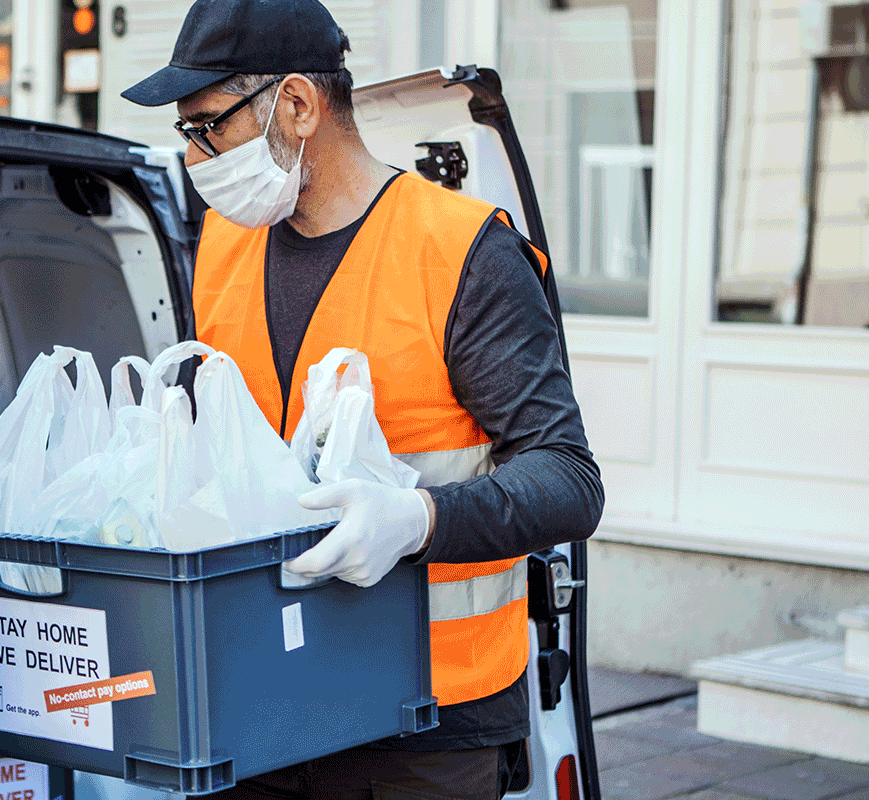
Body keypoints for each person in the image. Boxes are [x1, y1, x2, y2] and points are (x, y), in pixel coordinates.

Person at [122, 0, 604, 797]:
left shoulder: (460, 251)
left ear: (298, 105)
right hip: (259, 698)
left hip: (426, 722)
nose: (196, 156)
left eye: (207, 126)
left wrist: (419, 519)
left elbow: (568, 480)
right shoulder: (225, 245)